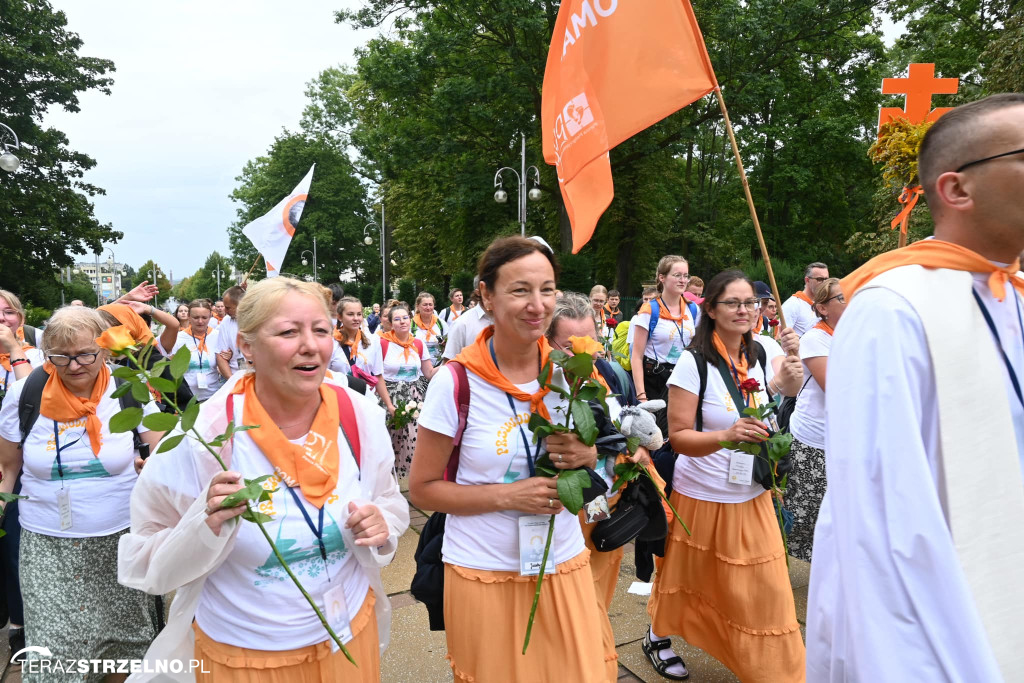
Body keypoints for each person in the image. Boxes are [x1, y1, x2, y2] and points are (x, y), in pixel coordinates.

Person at [807, 93, 1024, 680]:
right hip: (941, 635)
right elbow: (884, 525)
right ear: (957, 189)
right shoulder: (894, 309)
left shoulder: (1014, 293)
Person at [118, 277, 409, 682]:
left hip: (349, 634)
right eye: (289, 331)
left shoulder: (358, 415)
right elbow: (142, 563)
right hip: (248, 656)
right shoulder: (204, 436)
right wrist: (203, 524)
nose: (310, 344)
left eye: (321, 329)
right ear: (247, 346)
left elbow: (390, 505)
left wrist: (382, 526)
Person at [411, 236, 618, 682]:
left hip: (562, 560)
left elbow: (607, 462)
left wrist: (589, 455)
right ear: (486, 294)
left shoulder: (571, 375)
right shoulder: (456, 382)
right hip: (483, 569)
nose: (537, 304)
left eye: (547, 289)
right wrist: (508, 495)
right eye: (520, 290)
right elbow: (424, 488)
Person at [646, 270, 805, 682]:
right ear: (711, 310)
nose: (744, 310)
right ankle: (657, 635)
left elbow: (770, 402)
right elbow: (677, 438)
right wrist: (725, 435)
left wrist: (789, 377)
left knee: (766, 593)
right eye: (733, 303)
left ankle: (772, 670)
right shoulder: (692, 363)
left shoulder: (761, 353)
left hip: (751, 493)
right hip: (701, 496)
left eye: (750, 302)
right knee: (687, 579)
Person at [0, 307, 164, 681]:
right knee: (55, 654)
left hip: (120, 540)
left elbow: (162, 450)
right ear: (47, 354)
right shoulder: (24, 393)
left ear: (104, 350)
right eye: (61, 357)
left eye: (85, 354)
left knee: (124, 645)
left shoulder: (128, 388)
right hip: (47, 545)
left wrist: (152, 466)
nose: (74, 366)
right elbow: (10, 466)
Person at [545, 292, 634, 611]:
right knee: (567, 604)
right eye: (570, 346)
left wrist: (629, 449)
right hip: (564, 511)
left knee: (598, 595)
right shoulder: (542, 385)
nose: (585, 354)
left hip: (605, 504)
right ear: (548, 342)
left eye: (591, 342)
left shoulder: (606, 373)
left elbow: (624, 425)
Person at [785, 277, 844, 562]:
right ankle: (776, 564)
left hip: (845, 439)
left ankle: (826, 569)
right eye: (842, 299)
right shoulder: (815, 338)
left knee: (838, 512)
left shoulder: (855, 335)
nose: (850, 302)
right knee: (805, 514)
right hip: (815, 438)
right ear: (822, 308)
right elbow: (836, 387)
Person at [630, 256, 698, 431]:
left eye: (686, 275)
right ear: (662, 277)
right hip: (655, 380)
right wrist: (641, 395)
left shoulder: (693, 309)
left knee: (682, 430)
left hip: (683, 378)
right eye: (677, 275)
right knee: (657, 434)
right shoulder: (649, 310)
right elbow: (636, 356)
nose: (683, 280)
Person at [380, 303, 434, 478]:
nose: (402, 322)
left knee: (413, 437)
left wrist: (454, 362)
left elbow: (429, 372)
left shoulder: (418, 343)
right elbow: (376, 375)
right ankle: (387, 476)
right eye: (397, 319)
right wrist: (388, 403)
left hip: (414, 396)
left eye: (405, 318)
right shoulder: (382, 344)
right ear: (390, 323)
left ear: (410, 319)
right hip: (390, 395)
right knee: (390, 437)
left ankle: (409, 476)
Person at [164, 300, 223, 402]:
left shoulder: (218, 336)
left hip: (213, 397)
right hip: (186, 398)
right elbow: (169, 365)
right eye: (196, 317)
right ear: (189, 317)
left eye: (204, 317)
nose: (200, 321)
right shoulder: (179, 338)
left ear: (210, 317)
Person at [0, 290, 46, 402]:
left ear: (21, 320)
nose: (1, 318)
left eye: (9, 312)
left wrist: (13, 348)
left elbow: (32, 398)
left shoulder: (37, 357)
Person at [442, 280, 493, 362]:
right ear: (479, 291)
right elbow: (450, 363)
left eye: (460, 295)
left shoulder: (511, 321)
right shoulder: (461, 323)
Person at [781, 262, 829, 336]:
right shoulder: (793, 304)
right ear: (807, 280)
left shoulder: (825, 305)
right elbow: (781, 337)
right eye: (820, 279)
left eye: (826, 279)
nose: (824, 283)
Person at [214, 286, 246, 379]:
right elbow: (220, 355)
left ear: (241, 305)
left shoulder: (258, 319)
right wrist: (231, 381)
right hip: (234, 376)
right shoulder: (226, 321)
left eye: (228, 308)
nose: (225, 311)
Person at [412, 293, 445, 363]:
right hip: (418, 367)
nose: (428, 308)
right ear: (418, 306)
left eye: (430, 304)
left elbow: (450, 344)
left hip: (438, 366)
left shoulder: (441, 323)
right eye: (425, 305)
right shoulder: (411, 324)